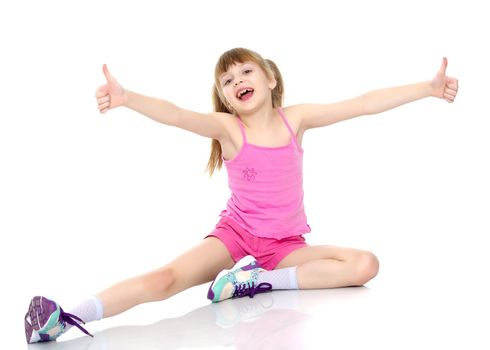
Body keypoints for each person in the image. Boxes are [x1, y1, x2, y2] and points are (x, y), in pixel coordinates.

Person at [24, 48, 458, 343]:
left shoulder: (296, 119)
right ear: (227, 98)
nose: (238, 81)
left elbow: (363, 102)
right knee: (165, 279)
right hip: (236, 236)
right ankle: (64, 317)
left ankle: (255, 282)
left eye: (246, 71)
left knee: (365, 264)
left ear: (270, 78)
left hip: (284, 249)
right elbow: (177, 115)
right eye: (228, 80)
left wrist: (426, 88)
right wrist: (127, 98)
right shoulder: (230, 128)